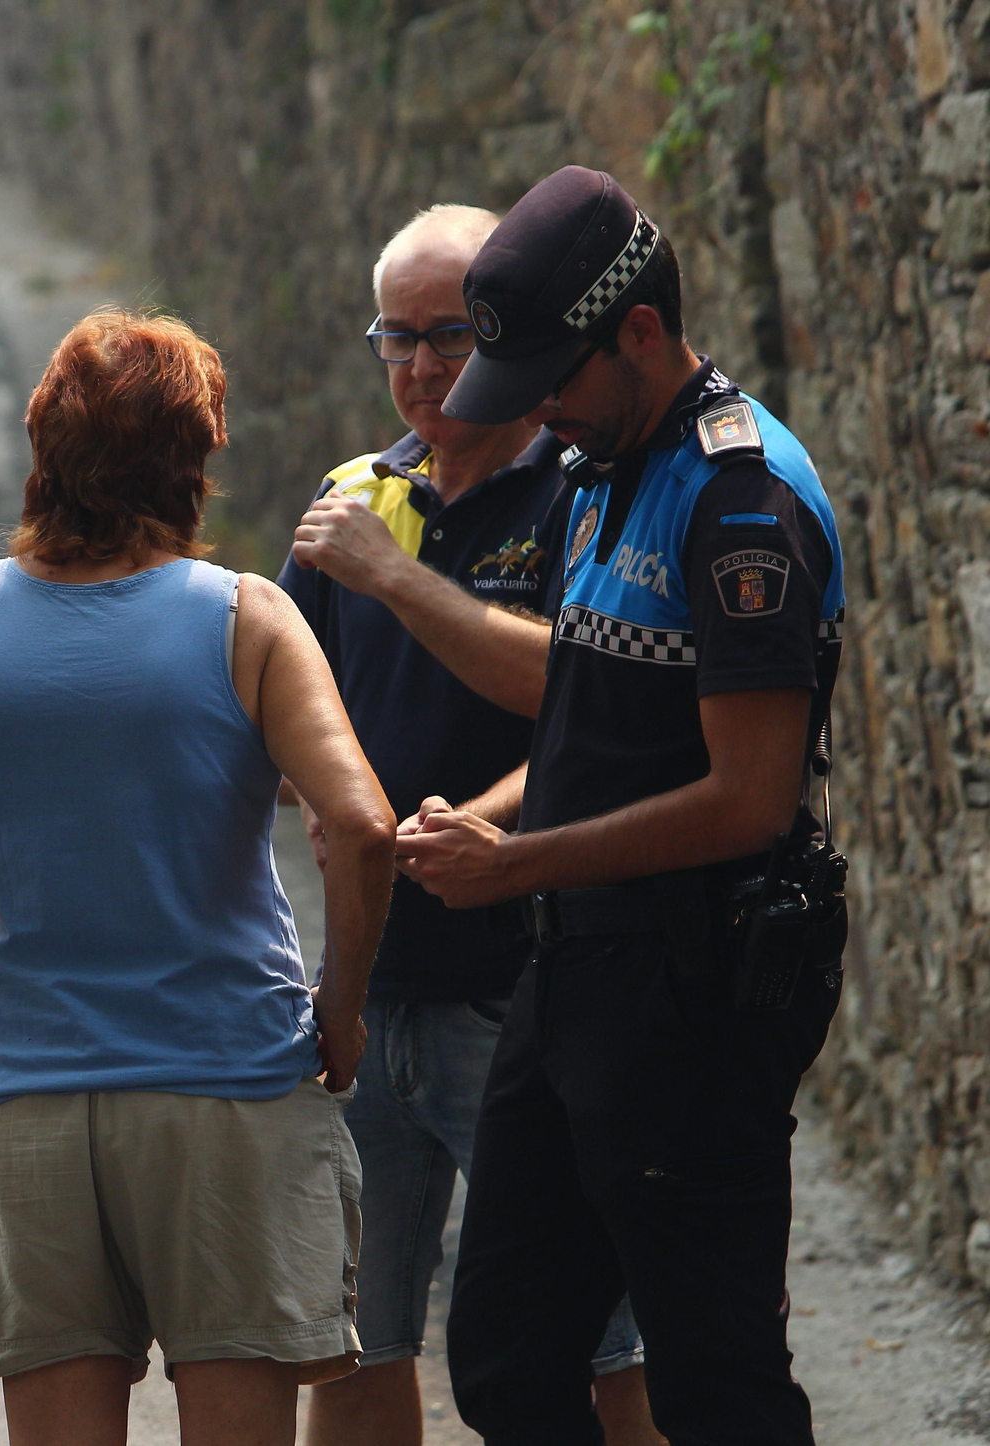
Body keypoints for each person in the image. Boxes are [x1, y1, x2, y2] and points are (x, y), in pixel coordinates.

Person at [0, 307, 397, 1446]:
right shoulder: (246, 620)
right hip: (228, 1092)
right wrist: (339, 1013)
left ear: (41, 449)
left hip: (30, 1105)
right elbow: (357, 826)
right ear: (192, 460)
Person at [394, 166, 846, 1445]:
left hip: (693, 987)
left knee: (714, 1383)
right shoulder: (602, 462)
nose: (536, 413)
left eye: (554, 378)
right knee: (501, 1357)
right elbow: (594, 728)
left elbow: (748, 800)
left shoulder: (737, 500)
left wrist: (518, 862)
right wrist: (483, 825)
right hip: (576, 971)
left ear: (637, 331)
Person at [280, 205, 660, 1446]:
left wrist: (464, 826)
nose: (422, 370)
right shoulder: (350, 496)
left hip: (521, 986)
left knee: (604, 1346)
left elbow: (582, 706)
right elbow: (281, 707)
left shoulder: (579, 495)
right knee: (350, 1344)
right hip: (360, 982)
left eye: (450, 336)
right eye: (397, 339)